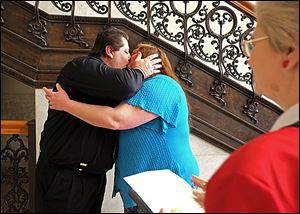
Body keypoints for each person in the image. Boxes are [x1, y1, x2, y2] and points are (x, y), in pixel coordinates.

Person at [44, 43, 200, 213]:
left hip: (165, 189)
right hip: (143, 192)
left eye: (130, 55)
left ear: (143, 59)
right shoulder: (135, 92)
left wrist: (67, 105)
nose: (126, 61)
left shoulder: (161, 84)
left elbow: (115, 119)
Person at [36, 27, 162, 213]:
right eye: (126, 51)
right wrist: (141, 70)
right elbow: (127, 84)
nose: (129, 59)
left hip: (92, 179)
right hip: (65, 178)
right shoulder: (82, 67)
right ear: (110, 51)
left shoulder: (110, 82)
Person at [191, 1, 299, 212]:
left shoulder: (259, 170)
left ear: (289, 52)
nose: (249, 60)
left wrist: (240, 192)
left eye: (254, 43)